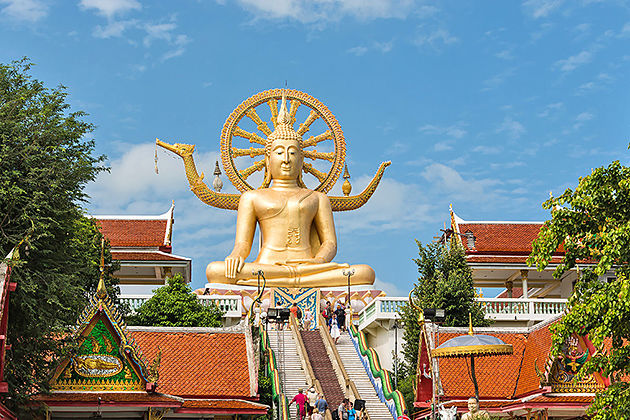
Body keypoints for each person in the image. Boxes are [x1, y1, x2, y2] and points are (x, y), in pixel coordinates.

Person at [205, 93, 375, 288]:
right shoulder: (252, 198)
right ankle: (293, 280)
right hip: (265, 267)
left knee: (364, 273)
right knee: (215, 270)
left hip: (309, 267)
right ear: (267, 160)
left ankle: (292, 279)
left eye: (293, 152)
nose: (286, 159)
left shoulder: (318, 199)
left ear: (302, 160)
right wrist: (235, 257)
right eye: (279, 152)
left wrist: (318, 262)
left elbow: (330, 244)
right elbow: (243, 245)